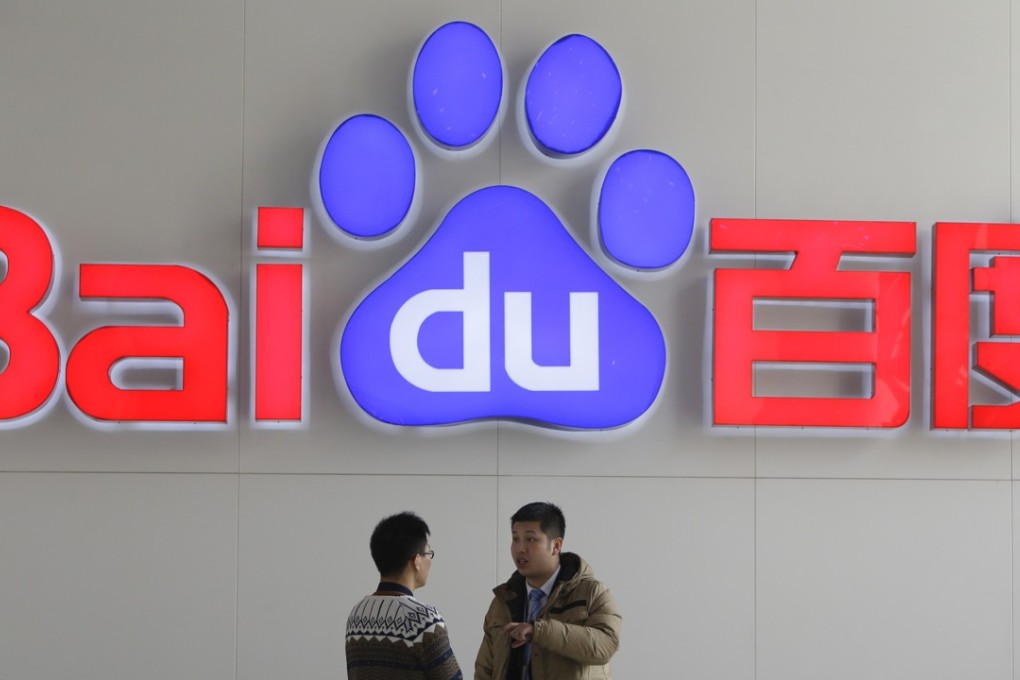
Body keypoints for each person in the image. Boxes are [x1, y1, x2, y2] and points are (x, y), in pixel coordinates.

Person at [474, 502, 621, 680]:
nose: (520, 548)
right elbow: (485, 668)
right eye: (515, 538)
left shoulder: (592, 592)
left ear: (556, 545)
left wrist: (539, 631)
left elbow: (605, 645)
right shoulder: (503, 600)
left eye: (530, 539)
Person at [346, 511, 462, 680]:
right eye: (428, 554)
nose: (430, 560)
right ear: (416, 560)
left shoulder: (356, 615)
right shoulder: (424, 619)